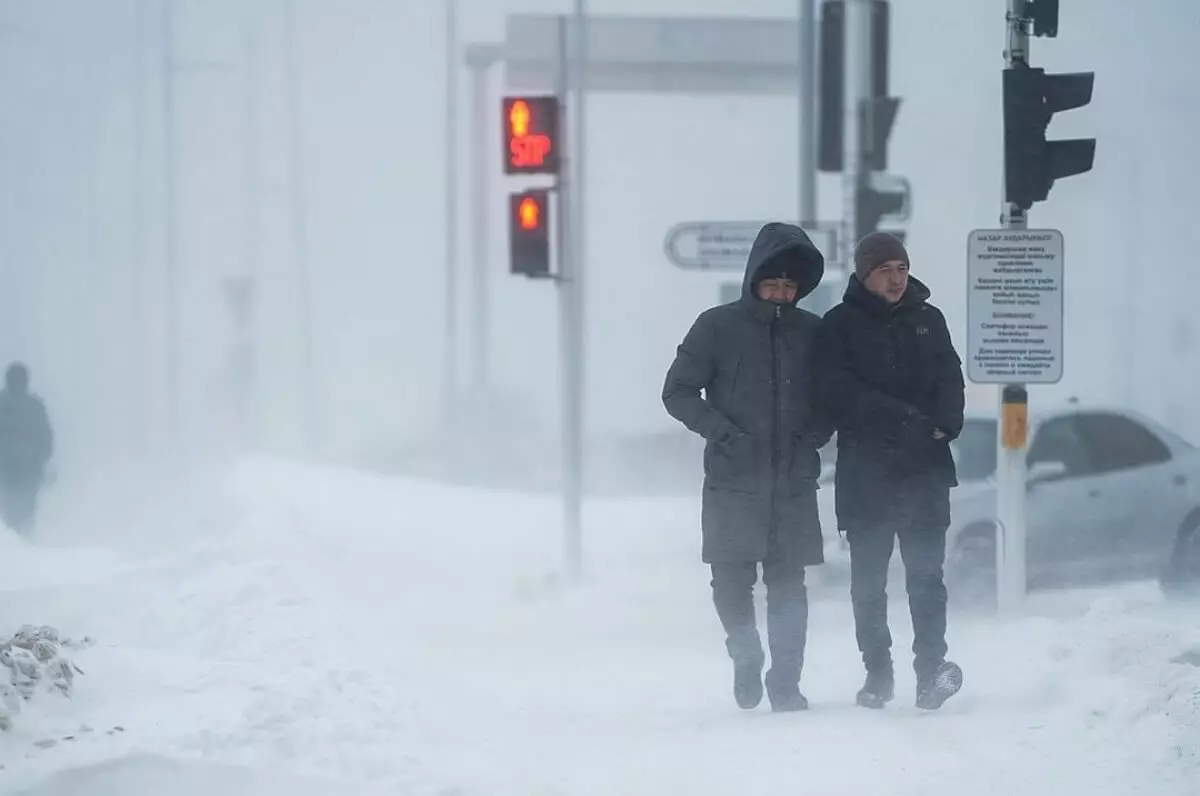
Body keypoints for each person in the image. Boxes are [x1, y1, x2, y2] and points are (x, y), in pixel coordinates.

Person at [662, 222, 831, 712]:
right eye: (772, 283)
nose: (781, 294)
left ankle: (786, 683)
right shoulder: (716, 327)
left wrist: (811, 440)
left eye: (790, 285)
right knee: (731, 582)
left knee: (788, 585)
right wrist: (724, 434)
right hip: (733, 479)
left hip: (792, 482)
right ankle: (744, 651)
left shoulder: (812, 333)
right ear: (753, 279)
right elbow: (677, 392)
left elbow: (832, 398)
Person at [811, 232, 965, 711]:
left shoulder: (929, 318)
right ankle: (878, 673)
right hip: (867, 474)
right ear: (863, 274)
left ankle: (930, 673)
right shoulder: (838, 326)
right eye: (885, 270)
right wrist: (906, 420)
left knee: (926, 576)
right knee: (868, 584)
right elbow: (838, 392)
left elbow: (950, 377)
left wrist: (947, 424)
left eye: (901, 267)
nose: (896, 278)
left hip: (925, 470)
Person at [0, 362, 54, 534]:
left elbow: (45, 438)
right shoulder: (28, 405)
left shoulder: (34, 407)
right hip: (8, 469)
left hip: (26, 471)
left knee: (24, 513)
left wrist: (41, 460)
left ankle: (22, 544)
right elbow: (46, 439)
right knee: (10, 510)